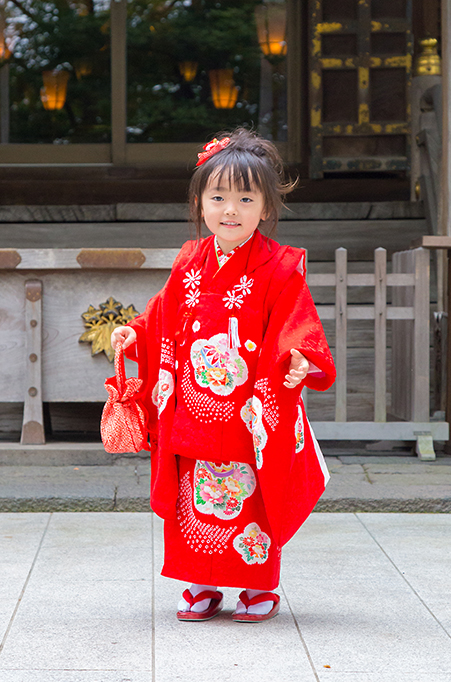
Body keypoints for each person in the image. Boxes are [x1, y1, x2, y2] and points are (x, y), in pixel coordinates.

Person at [110, 128, 336, 623]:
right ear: (199, 201)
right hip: (194, 404)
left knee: (250, 495)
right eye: (218, 197)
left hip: (250, 409)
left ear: (266, 207)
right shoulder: (191, 259)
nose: (230, 210)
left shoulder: (280, 266)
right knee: (196, 496)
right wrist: (135, 333)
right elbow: (163, 315)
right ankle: (201, 582)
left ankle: (258, 586)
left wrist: (299, 356)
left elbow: (297, 325)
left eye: (245, 198)